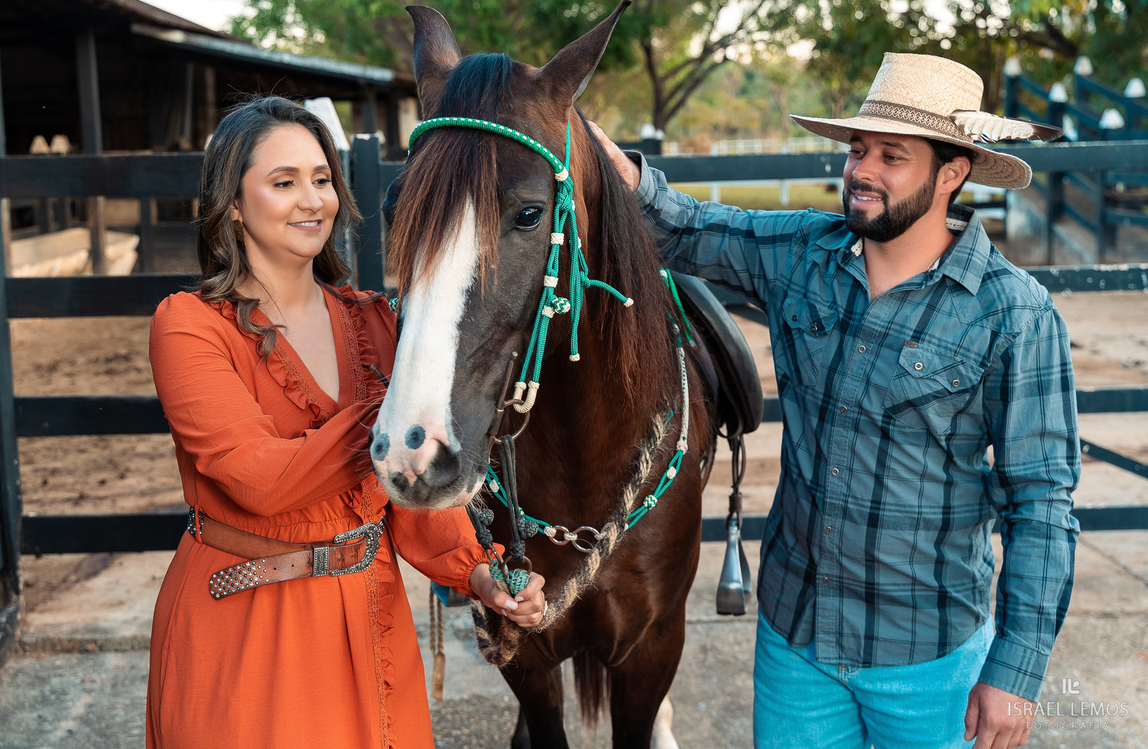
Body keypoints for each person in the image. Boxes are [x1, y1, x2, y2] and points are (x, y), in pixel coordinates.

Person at [594, 53, 1079, 749]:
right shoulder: (803, 256)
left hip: (931, 659)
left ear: (953, 172)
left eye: (892, 156)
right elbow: (683, 226)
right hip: (798, 643)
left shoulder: (1016, 314)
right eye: (858, 150)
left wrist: (1017, 672)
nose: (863, 170)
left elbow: (1043, 505)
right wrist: (577, 135)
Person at [146, 95, 545, 749]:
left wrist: (478, 572)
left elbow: (406, 489)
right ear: (234, 203)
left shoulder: (375, 322)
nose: (312, 200)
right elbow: (254, 479)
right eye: (284, 182)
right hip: (244, 624)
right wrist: (395, 414)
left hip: (367, 618)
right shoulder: (190, 327)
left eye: (322, 179)